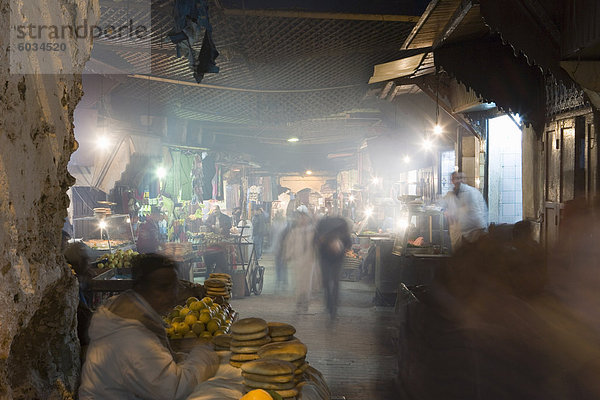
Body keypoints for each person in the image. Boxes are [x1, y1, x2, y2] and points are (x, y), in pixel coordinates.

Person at [79, 253, 219, 399]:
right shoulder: (132, 338)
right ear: (142, 288)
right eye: (163, 288)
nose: (172, 295)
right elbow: (174, 389)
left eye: (174, 286)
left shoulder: (123, 307)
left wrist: (183, 357)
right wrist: (204, 355)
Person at [314, 216, 352, 319]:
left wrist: (342, 250)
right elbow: (315, 242)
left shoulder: (342, 232)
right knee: (326, 281)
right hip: (325, 257)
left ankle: (333, 307)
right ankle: (329, 303)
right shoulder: (323, 231)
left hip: (338, 259)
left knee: (335, 280)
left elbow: (349, 243)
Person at [280, 206, 317, 312]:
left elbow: (317, 245)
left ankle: (306, 300)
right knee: (298, 280)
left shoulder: (312, 231)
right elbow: (289, 244)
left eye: (304, 218)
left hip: (309, 259)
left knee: (307, 281)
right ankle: (299, 300)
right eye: (300, 218)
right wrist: (287, 255)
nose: (302, 220)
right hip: (298, 259)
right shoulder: (294, 232)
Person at [441, 171, 488, 251]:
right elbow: (441, 205)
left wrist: (451, 213)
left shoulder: (471, 192)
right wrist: (444, 211)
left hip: (474, 232)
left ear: (465, 180)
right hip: (459, 234)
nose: (458, 181)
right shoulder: (450, 194)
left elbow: (469, 211)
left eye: (461, 178)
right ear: (451, 181)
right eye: (456, 178)